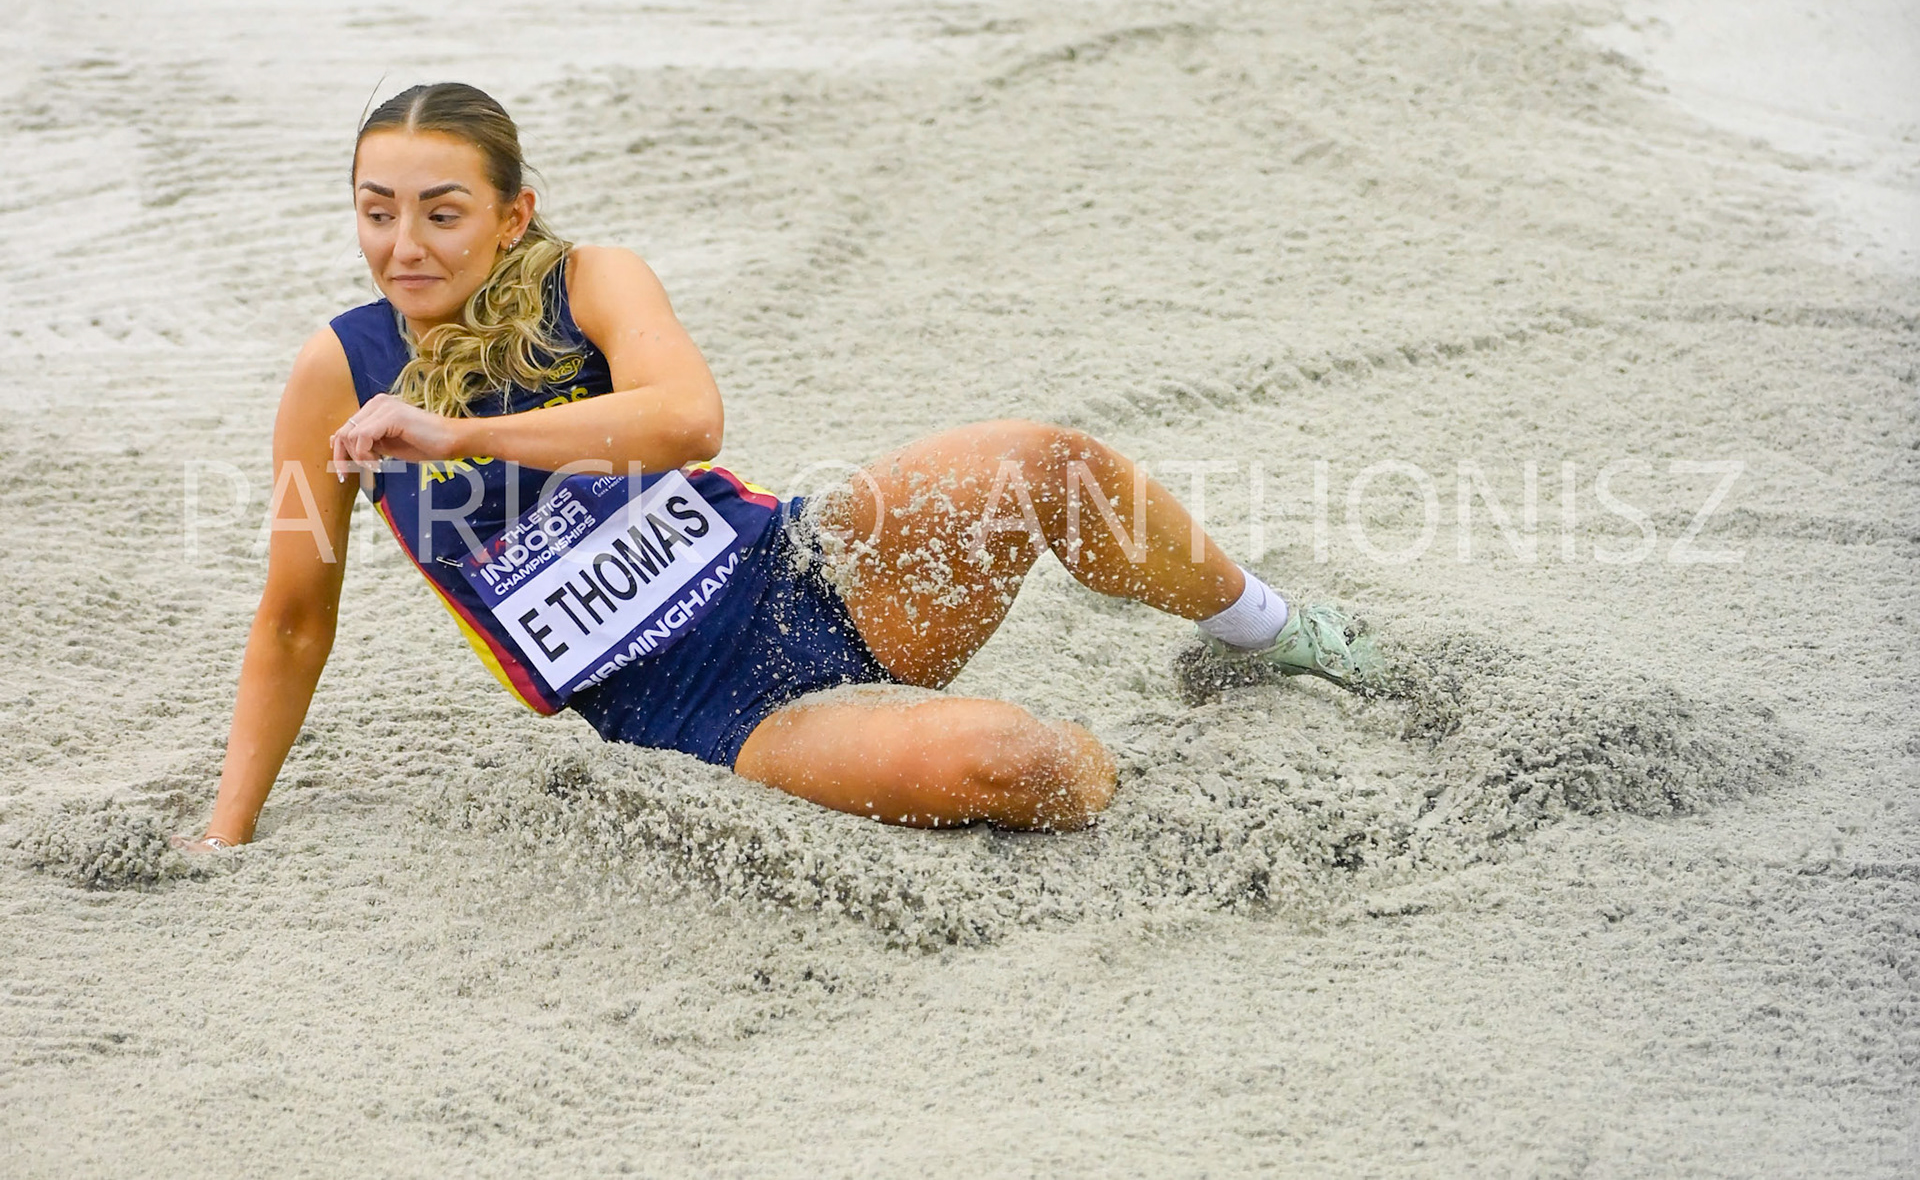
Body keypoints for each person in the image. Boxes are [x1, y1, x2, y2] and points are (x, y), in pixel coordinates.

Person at [174, 83, 1376, 853]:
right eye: (377, 210)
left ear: (511, 210)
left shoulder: (591, 280)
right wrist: (228, 833)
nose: (404, 242)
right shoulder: (335, 376)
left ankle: (1271, 636)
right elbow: (290, 622)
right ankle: (1166, 766)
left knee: (1043, 464)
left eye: (441, 211)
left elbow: (688, 421)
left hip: (809, 570)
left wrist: (466, 434)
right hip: (711, 711)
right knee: (1031, 764)